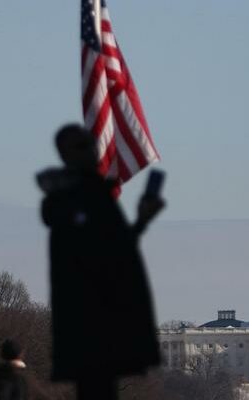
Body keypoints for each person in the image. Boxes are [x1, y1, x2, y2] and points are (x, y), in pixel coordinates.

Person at [37, 124, 164, 399]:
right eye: (82, 146)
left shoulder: (88, 195)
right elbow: (102, 254)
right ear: (65, 154)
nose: (93, 150)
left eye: (91, 143)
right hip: (93, 317)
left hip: (99, 315)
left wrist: (141, 220)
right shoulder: (76, 198)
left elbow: (113, 250)